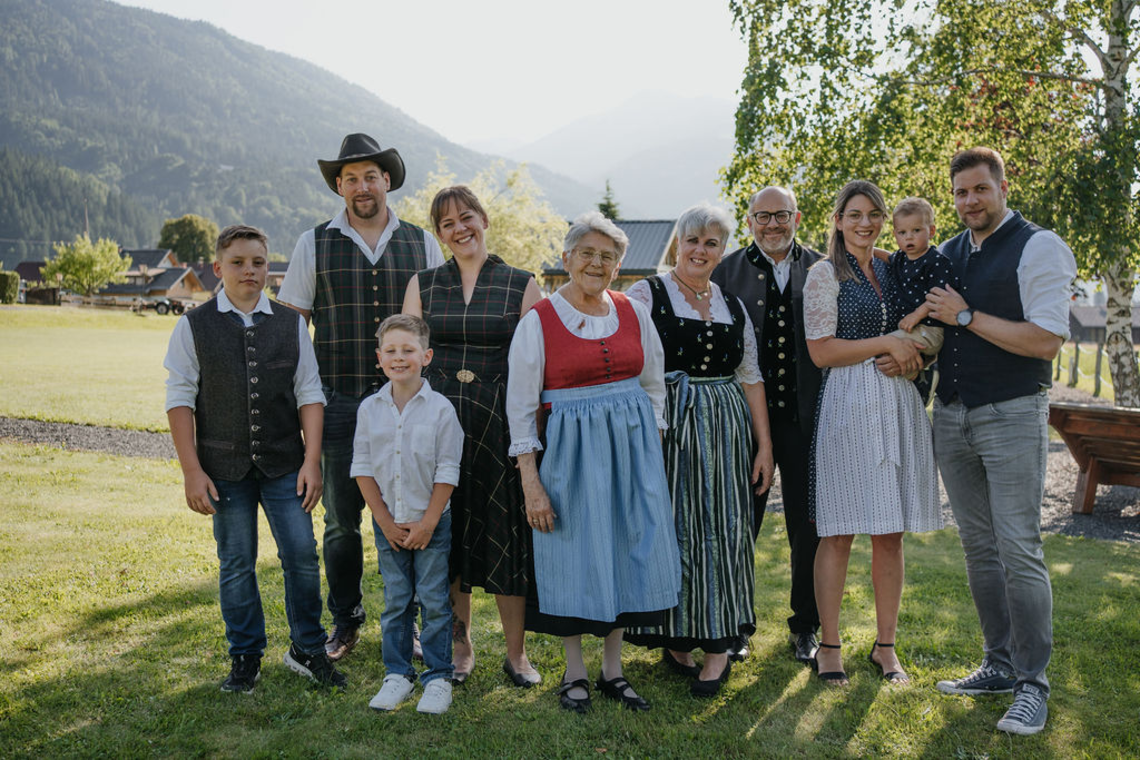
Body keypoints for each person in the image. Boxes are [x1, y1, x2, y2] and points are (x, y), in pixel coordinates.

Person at [917, 147, 1075, 735]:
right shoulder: (949, 251)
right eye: (959, 193)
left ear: (1003, 187)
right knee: (979, 548)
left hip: (1011, 412)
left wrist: (965, 317)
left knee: (1019, 548)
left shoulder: (1039, 246)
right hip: (952, 415)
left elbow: (1045, 342)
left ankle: (1033, 684)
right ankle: (999, 664)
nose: (969, 202)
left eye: (979, 190)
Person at [506, 211, 681, 713]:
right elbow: (520, 409)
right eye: (587, 253)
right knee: (574, 552)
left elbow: (652, 384)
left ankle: (613, 670)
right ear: (566, 259)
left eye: (608, 256)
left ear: (619, 264)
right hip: (571, 454)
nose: (597, 263)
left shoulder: (632, 310)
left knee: (625, 545)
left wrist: (651, 446)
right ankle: (575, 671)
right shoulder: (538, 321)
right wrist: (531, 484)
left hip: (631, 451)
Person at [279, 133, 445, 661]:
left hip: (409, 402)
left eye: (370, 175)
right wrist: (303, 400)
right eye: (350, 178)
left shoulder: (422, 242)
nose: (361, 186)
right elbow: (293, 327)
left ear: (387, 181)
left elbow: (437, 321)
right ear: (339, 186)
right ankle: (346, 619)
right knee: (341, 522)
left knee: (412, 513)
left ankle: (412, 623)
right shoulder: (314, 242)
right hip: (339, 400)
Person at [164, 224, 346, 693]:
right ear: (218, 267)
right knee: (237, 562)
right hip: (224, 470)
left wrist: (312, 462)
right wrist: (191, 471)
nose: (249, 270)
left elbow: (310, 394)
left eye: (258, 262)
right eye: (239, 262)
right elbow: (180, 400)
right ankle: (245, 656)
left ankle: (307, 648)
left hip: (286, 464)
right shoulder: (193, 325)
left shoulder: (290, 324)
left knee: (302, 556)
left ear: (270, 267)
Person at [624, 204, 773, 697]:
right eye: (692, 241)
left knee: (724, 530)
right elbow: (628, 364)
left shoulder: (731, 302)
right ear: (677, 244)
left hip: (727, 428)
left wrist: (764, 447)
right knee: (674, 526)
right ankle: (676, 633)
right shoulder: (647, 293)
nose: (700, 251)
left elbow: (751, 378)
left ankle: (717, 646)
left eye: (711, 243)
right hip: (669, 425)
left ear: (722, 250)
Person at [802, 180, 942, 686]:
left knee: (890, 532)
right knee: (839, 530)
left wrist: (914, 355)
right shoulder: (823, 274)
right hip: (846, 402)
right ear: (838, 220)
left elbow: (929, 319)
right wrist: (887, 340)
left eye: (874, 214)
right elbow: (821, 351)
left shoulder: (893, 264)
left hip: (898, 402)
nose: (866, 223)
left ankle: (886, 647)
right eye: (854, 214)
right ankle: (830, 645)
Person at [403, 186, 543, 686]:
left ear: (483, 219)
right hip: (439, 429)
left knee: (506, 538)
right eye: (446, 224)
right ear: (438, 234)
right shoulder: (423, 283)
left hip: (500, 428)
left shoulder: (521, 284)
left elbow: (536, 368)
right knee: (448, 538)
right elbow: (407, 357)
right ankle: (460, 647)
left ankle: (517, 653)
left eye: (466, 218)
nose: (459, 229)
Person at [710, 186, 823, 665]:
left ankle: (806, 626)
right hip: (743, 419)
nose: (772, 225)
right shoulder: (724, 270)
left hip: (807, 418)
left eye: (780, 216)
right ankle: (736, 626)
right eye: (762, 217)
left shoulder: (822, 266)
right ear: (750, 220)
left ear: (796, 217)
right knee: (740, 523)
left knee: (808, 525)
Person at [353, 314, 464, 714]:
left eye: (409, 350)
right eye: (391, 351)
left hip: (431, 522)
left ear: (427, 356)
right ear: (379, 358)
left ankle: (438, 678)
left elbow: (448, 470)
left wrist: (429, 523)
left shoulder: (440, 410)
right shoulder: (370, 409)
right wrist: (383, 521)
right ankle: (397, 674)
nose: (400, 358)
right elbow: (362, 467)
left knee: (434, 601)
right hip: (389, 524)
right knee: (396, 601)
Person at [877, 197, 958, 392]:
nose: (909, 237)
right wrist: (864, 250)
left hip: (929, 329)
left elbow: (937, 297)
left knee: (885, 346)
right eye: (902, 232)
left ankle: (916, 373)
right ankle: (911, 374)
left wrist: (916, 315)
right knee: (885, 348)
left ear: (931, 231)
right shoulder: (901, 259)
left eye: (916, 231)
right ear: (895, 234)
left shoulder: (936, 261)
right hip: (911, 329)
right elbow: (886, 256)